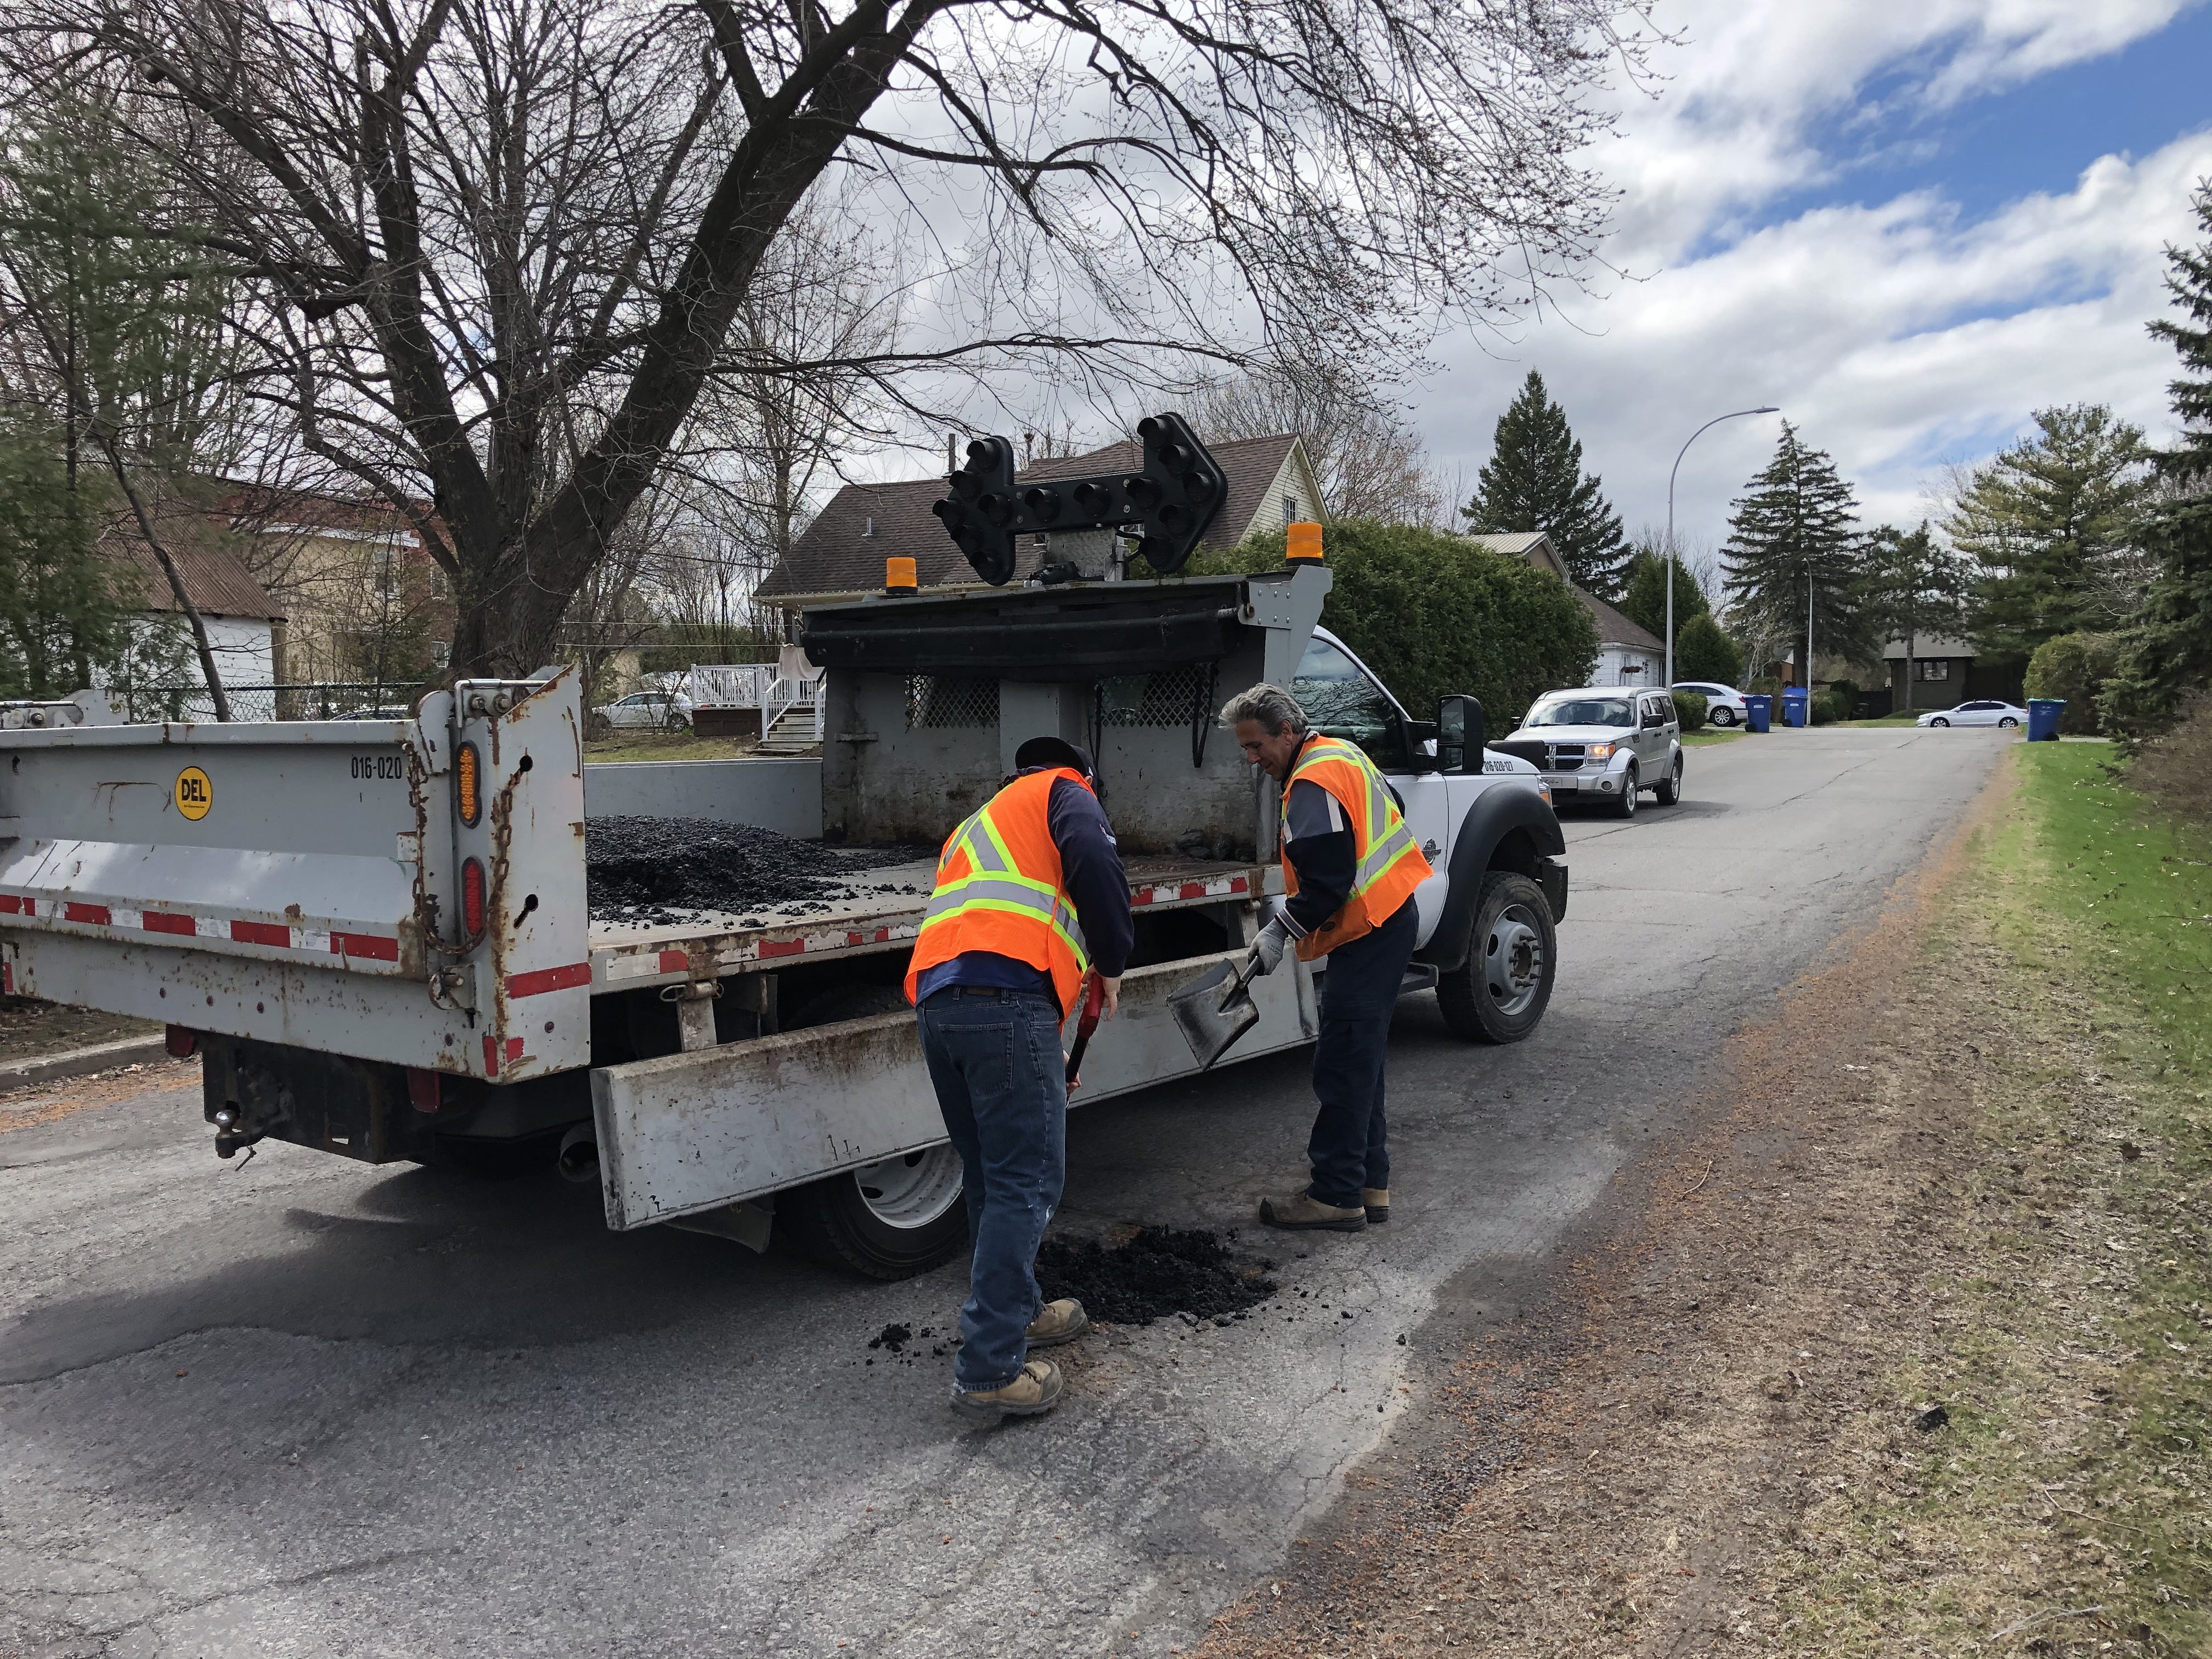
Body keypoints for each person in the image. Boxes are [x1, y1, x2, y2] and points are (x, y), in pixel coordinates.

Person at [904, 736, 1133, 1422]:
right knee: (1027, 1181)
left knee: (990, 1172)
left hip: (941, 1005)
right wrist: (1113, 960)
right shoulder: (1068, 792)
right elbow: (1095, 861)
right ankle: (989, 1368)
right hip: (1006, 1002)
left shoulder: (980, 821)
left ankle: (1021, 1312)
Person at [1222, 682, 1432, 1232]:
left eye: (1256, 746)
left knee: (1342, 1062)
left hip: (1370, 931)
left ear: (1286, 732)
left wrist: (1277, 933)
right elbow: (1396, 805)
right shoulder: (1342, 753)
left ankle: (1336, 1195)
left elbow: (1328, 885)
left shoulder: (1312, 781)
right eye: (1245, 748)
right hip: (1388, 919)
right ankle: (1369, 1185)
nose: (1252, 759)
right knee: (1361, 1062)